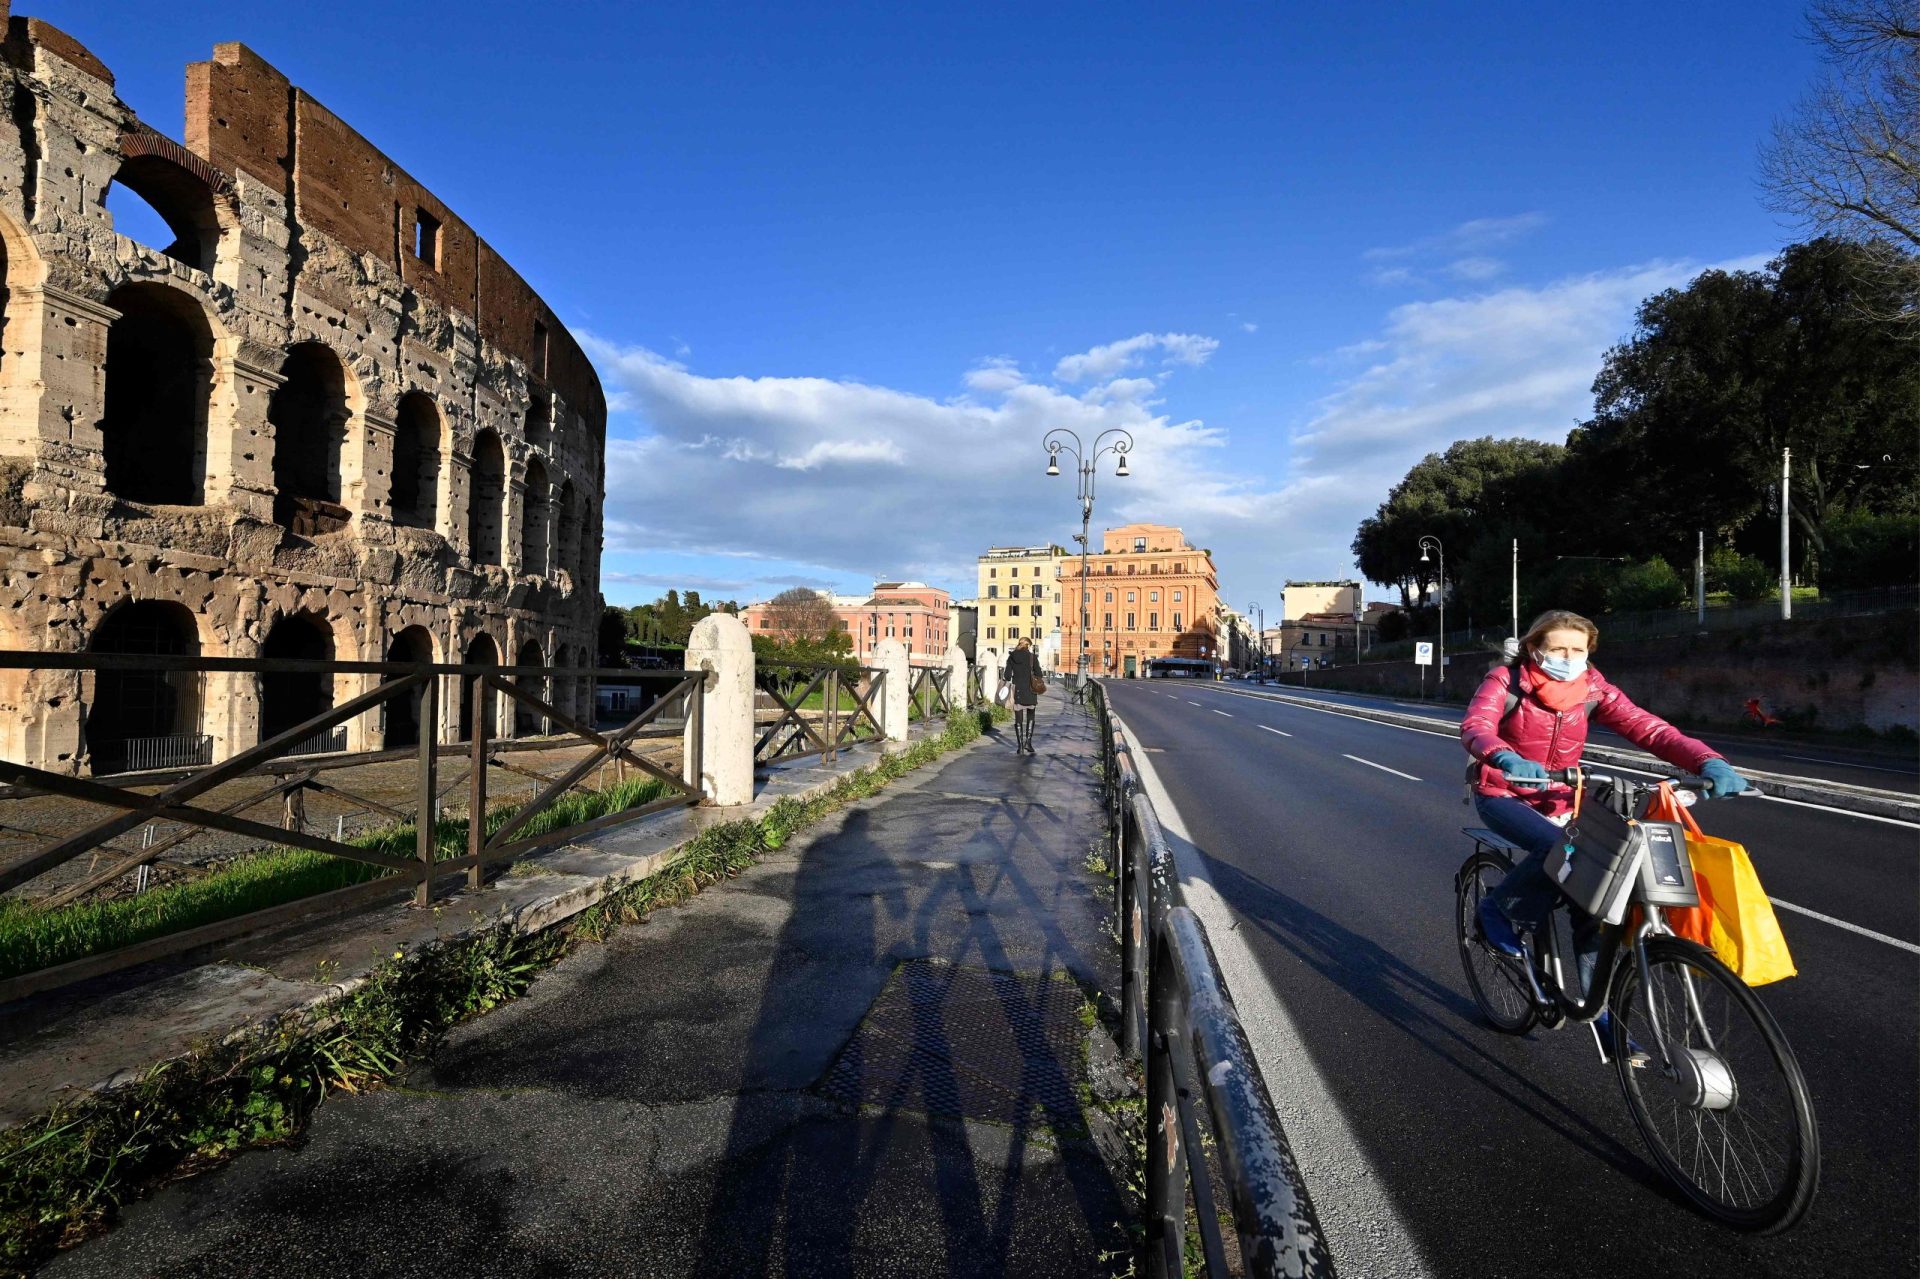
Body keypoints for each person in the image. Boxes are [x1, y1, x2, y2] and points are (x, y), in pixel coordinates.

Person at [1462, 609, 1749, 1004]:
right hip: (1502, 794)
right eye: (1557, 648)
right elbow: (1476, 726)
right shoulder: (1505, 680)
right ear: (1534, 647)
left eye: (1577, 649)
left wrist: (1707, 760)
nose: (1568, 657)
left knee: (1596, 905)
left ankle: (1600, 1014)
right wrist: (1504, 758)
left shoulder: (1593, 688)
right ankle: (1498, 911)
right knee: (1561, 847)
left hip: (1564, 797)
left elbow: (1649, 728)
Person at [1002, 638, 1042, 755]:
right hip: (1030, 689)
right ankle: (1028, 743)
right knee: (1031, 714)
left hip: (1017, 690)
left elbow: (1007, 676)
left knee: (1018, 718)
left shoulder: (1011, 657)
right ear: (1028, 645)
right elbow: (1039, 674)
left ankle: (1020, 746)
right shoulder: (1032, 657)